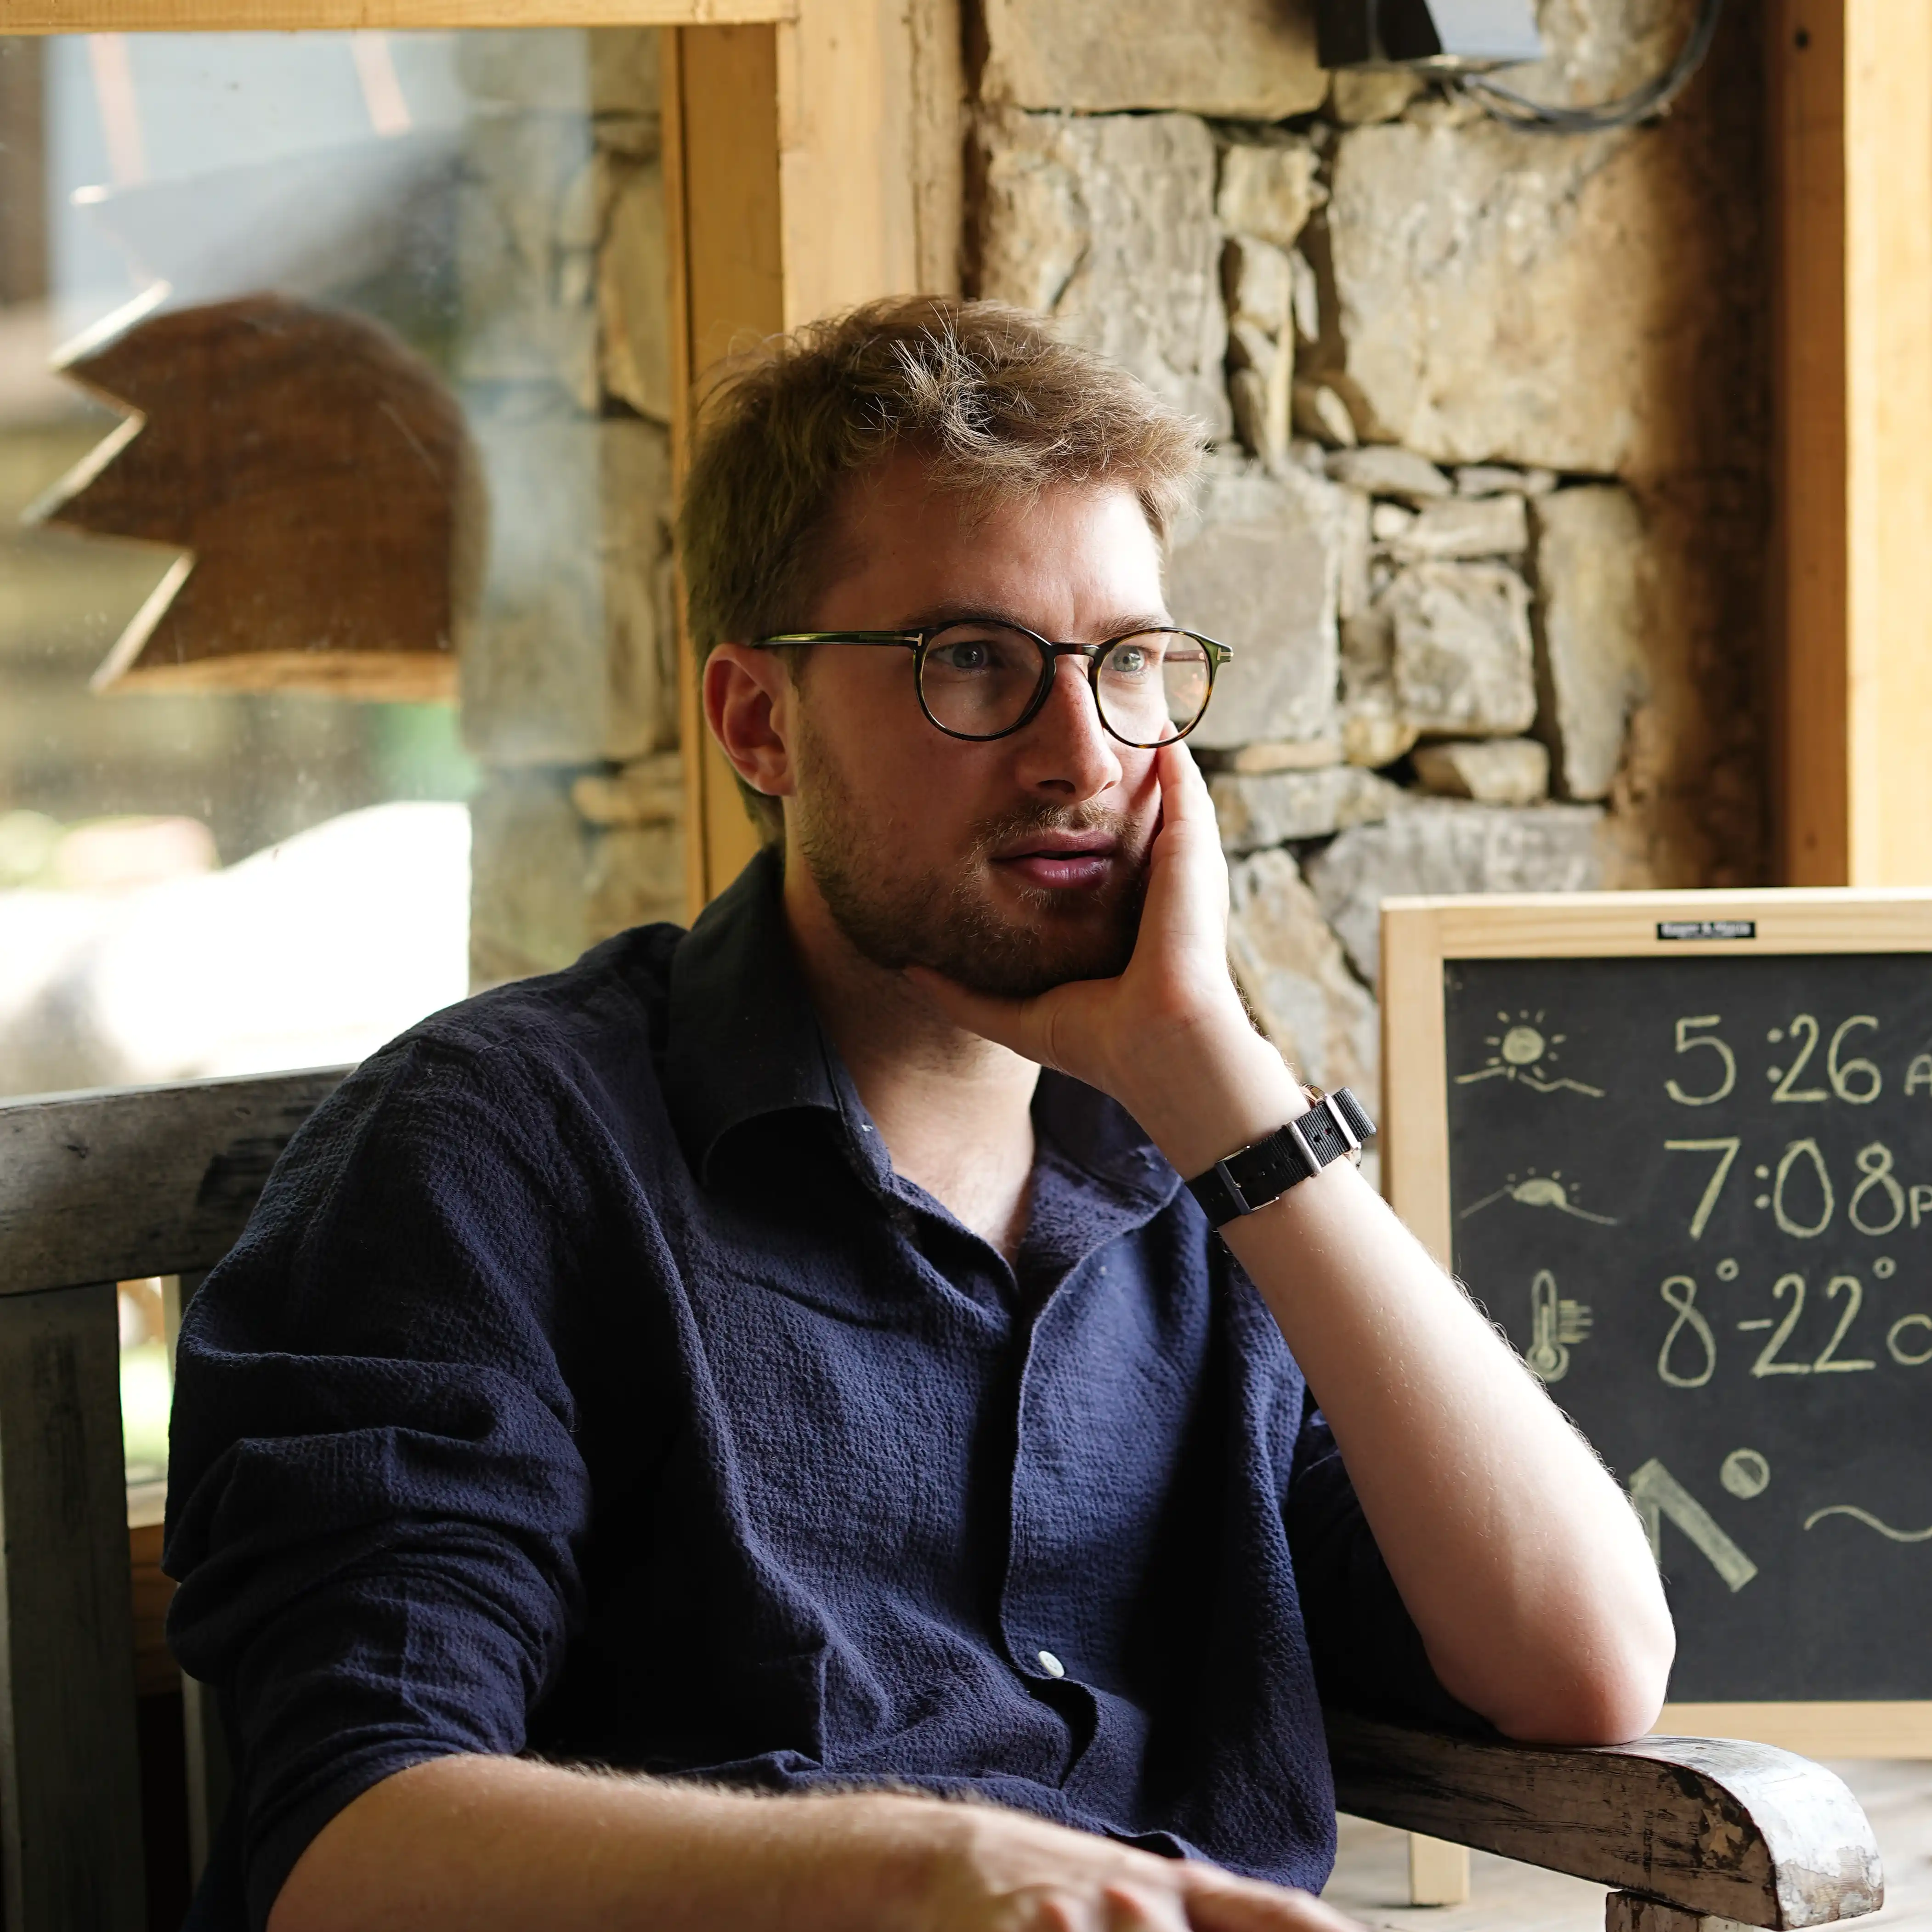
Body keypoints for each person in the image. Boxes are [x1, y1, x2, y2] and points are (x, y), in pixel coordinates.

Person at [165, 297, 1673, 1932]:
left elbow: (1580, 1667)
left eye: (1130, 664)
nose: (1081, 751)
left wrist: (1219, 1072)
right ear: (760, 722)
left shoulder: (1212, 1174)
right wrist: (931, 1869)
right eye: (972, 661)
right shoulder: (493, 1148)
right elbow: (344, 1848)